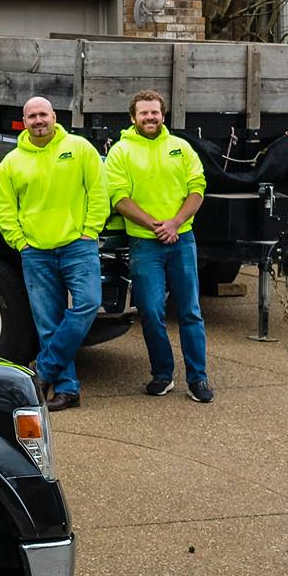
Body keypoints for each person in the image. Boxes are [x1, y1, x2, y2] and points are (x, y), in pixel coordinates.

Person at [0, 96, 107, 411]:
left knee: (88, 304)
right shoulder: (11, 163)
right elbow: (5, 211)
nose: (38, 121)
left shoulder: (80, 148)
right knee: (48, 323)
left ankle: (44, 369)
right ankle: (68, 390)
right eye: (32, 117)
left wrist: (90, 230)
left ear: (54, 116)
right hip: (36, 253)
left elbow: (99, 190)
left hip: (78, 246)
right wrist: (21, 243)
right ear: (24, 122)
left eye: (43, 114)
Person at [105, 90, 212, 403]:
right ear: (133, 117)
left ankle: (198, 378)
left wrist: (175, 223)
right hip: (144, 243)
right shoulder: (121, 152)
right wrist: (157, 225)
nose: (150, 117)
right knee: (151, 311)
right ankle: (162, 374)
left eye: (155, 112)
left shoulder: (181, 147)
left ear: (163, 115)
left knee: (190, 311)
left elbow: (197, 188)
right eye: (144, 113)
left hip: (182, 239)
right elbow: (119, 198)